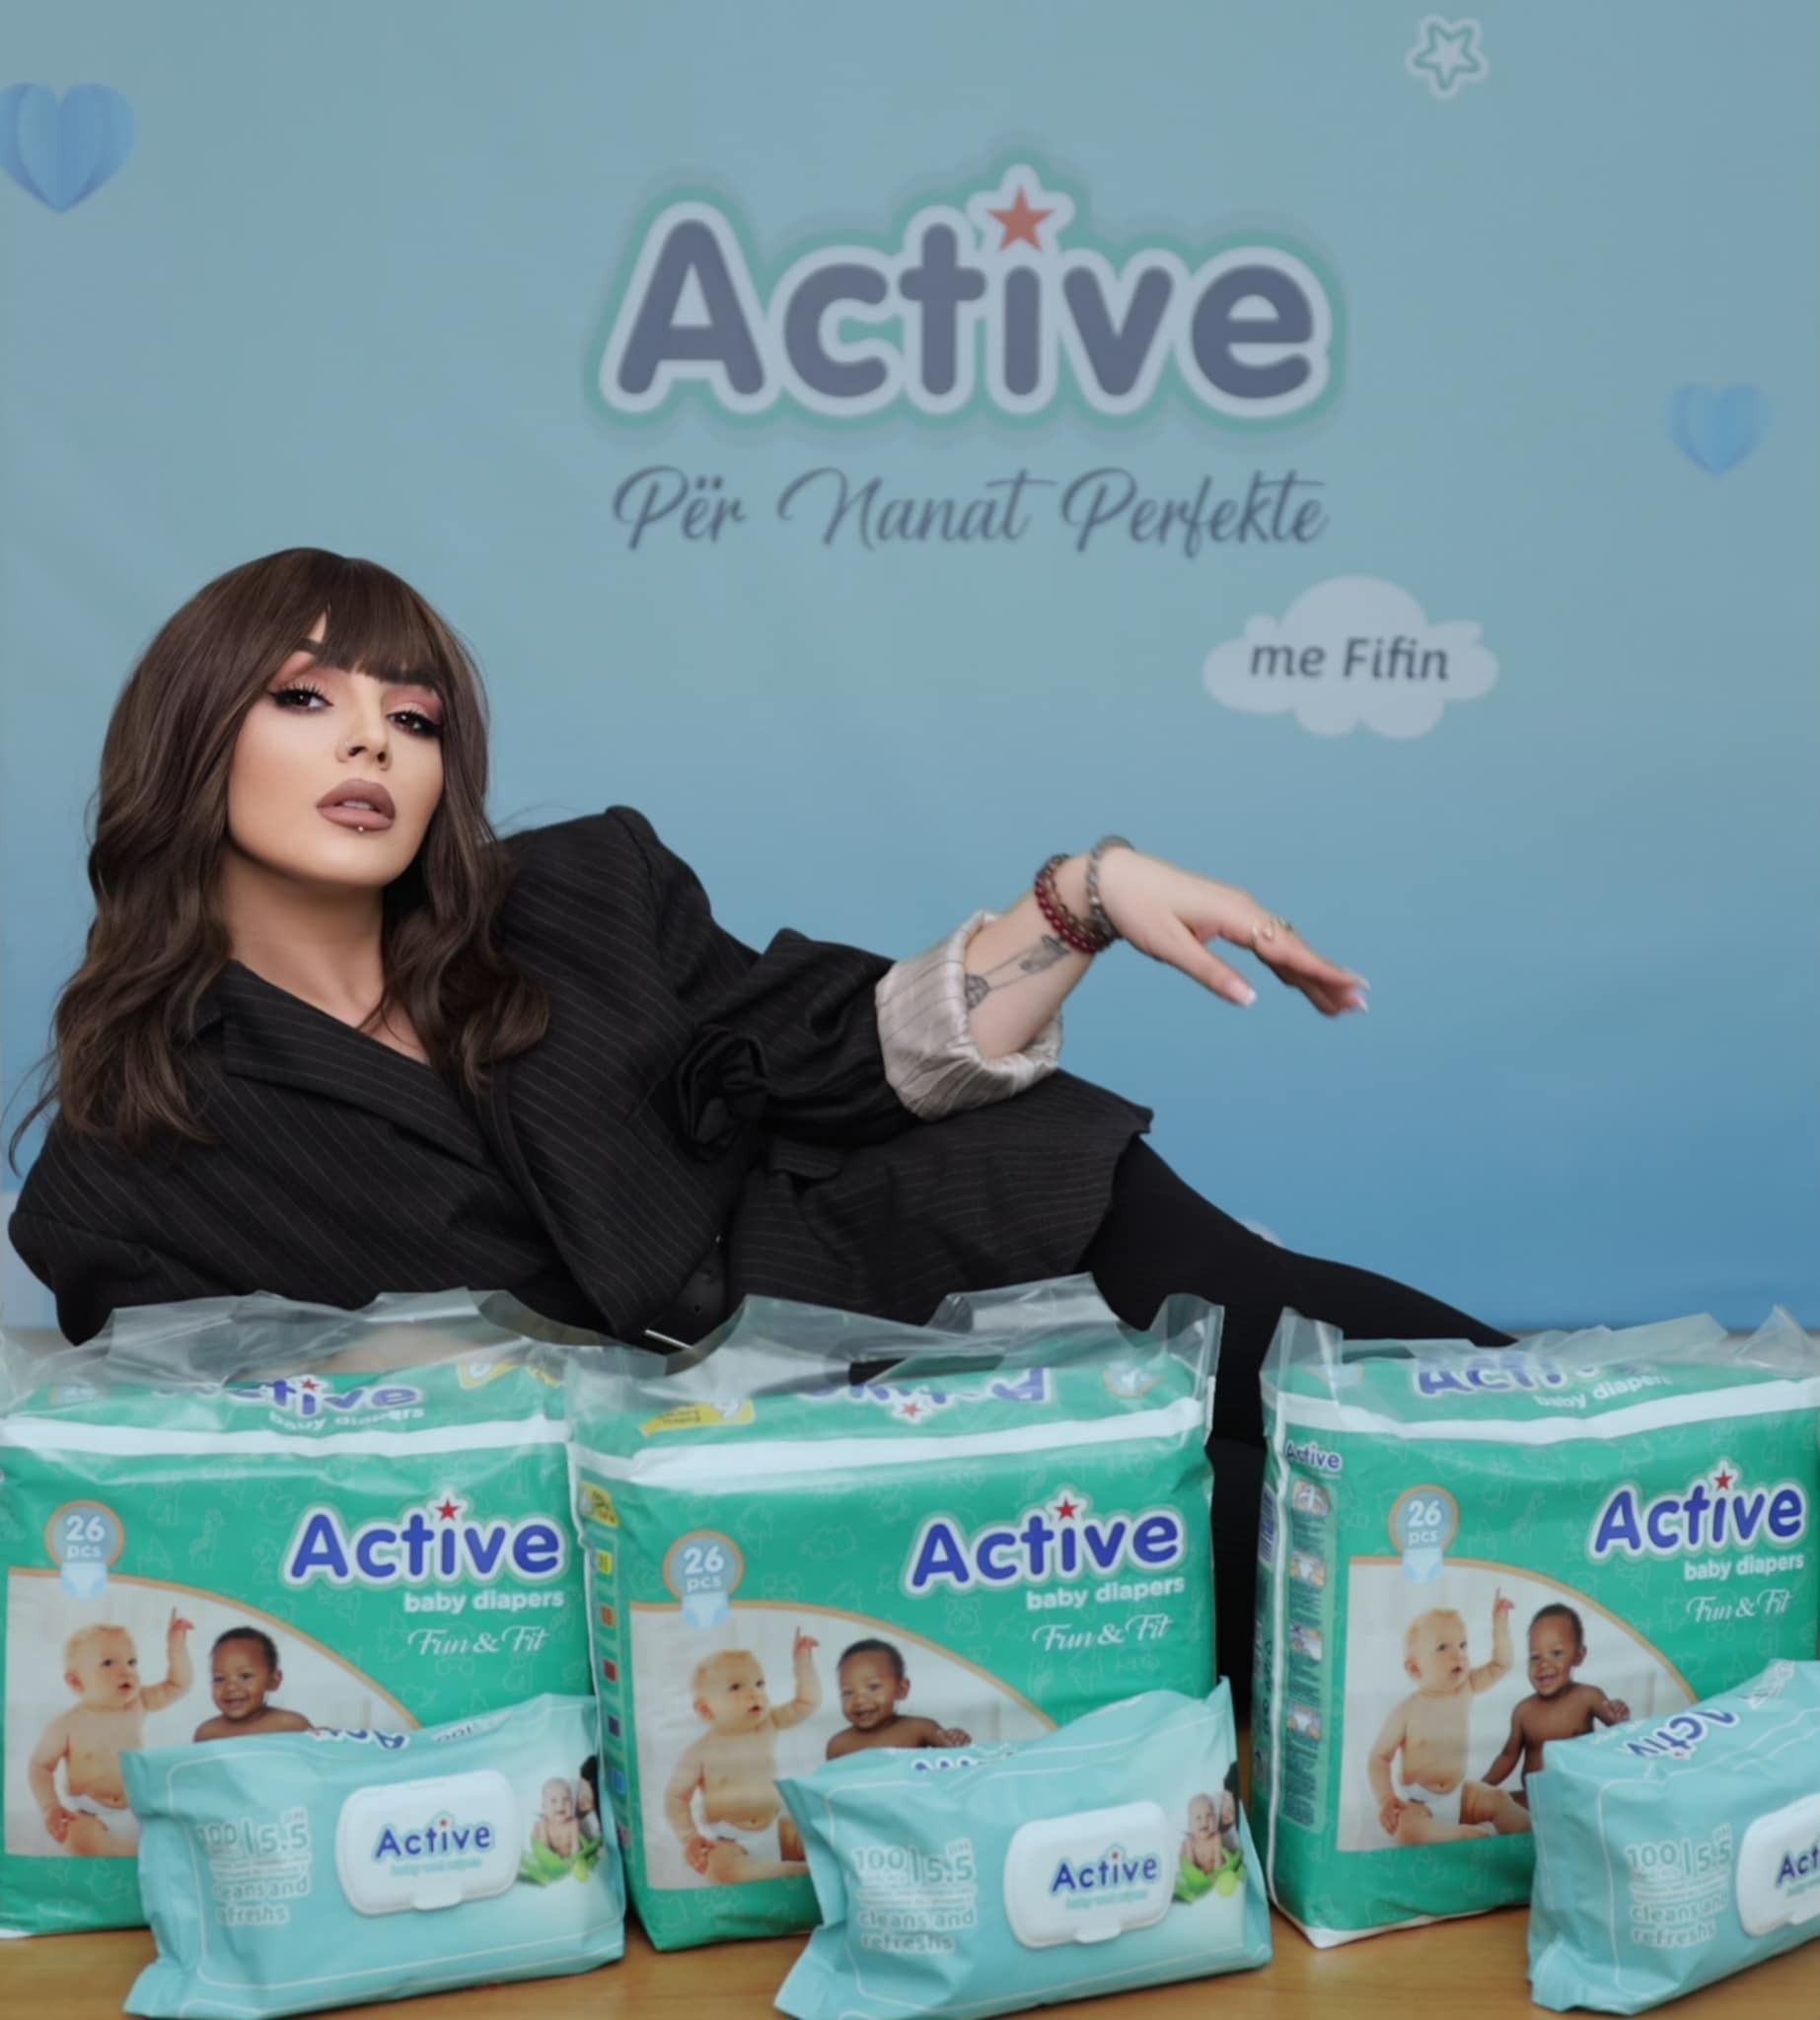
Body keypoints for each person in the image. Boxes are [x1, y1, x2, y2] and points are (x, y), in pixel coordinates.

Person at [4, 549, 1510, 1693]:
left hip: (948, 1214)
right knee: (1270, 1534)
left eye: (413, 715)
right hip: (763, 1477)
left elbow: (839, 1050)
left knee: (1412, 1397)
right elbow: (277, 1470)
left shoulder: (579, 894)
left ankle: (1641, 1462)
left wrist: (1087, 897)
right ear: (192, 736)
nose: (374, 745)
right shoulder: (127, 1162)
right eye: (306, 698)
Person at [1366, 1595, 1530, 1846]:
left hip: (1460, 1794)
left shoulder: (1466, 1687)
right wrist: (1386, 1800)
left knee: (1498, 1799)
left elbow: (1501, 1664)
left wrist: (1500, 1624)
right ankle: (1459, 1836)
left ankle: (1530, 1832)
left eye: (1463, 1645)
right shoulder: (1407, 1711)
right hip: (1421, 1803)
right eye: (1443, 1648)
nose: (1459, 1655)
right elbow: (1379, 1758)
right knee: (1405, 1830)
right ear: (1415, 1669)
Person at [28, 1610, 193, 1856]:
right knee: (78, 1838)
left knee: (182, 1815)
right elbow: (40, 1766)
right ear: (76, 1682)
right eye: (108, 1663)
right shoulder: (67, 1724)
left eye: (132, 1662)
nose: (126, 1671)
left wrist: (176, 1649)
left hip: (139, 1807)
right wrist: (50, 1807)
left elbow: (178, 1685)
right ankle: (134, 1852)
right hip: (93, 1813)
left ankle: (151, 1847)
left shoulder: (139, 1702)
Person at [663, 1633, 820, 1884]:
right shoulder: (700, 1751)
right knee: (721, 1872)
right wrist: (690, 1839)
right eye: (736, 1687)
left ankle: (802, 1869)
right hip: (731, 1841)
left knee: (821, 1837)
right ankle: (796, 1872)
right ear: (705, 1709)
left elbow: (807, 1702)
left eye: (759, 1684)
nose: (754, 1694)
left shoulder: (769, 1722)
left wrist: (803, 1663)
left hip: (776, 1828)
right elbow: (676, 1798)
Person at [1482, 1603, 1631, 1804]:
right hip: (1535, 1800)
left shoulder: (1587, 1697)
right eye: (1535, 1657)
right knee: (1490, 1804)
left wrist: (1618, 1715)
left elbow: (1618, 1731)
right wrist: (1483, 1787)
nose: (1544, 1664)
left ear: (1578, 1656)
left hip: (1578, 1795)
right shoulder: (1524, 1711)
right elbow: (1508, 1756)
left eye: (1557, 1653)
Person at [825, 1636, 971, 1758]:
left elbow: (955, 1756)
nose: (859, 1700)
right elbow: (830, 1783)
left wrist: (955, 1738)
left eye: (873, 1687)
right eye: (848, 1693)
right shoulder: (838, 1746)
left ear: (901, 1689)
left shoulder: (920, 1729)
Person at [192, 1625, 313, 1741]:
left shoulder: (292, 1725)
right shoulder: (208, 1734)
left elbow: (316, 1753)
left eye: (245, 1676)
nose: (230, 1687)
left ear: (273, 1680)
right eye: (219, 1679)